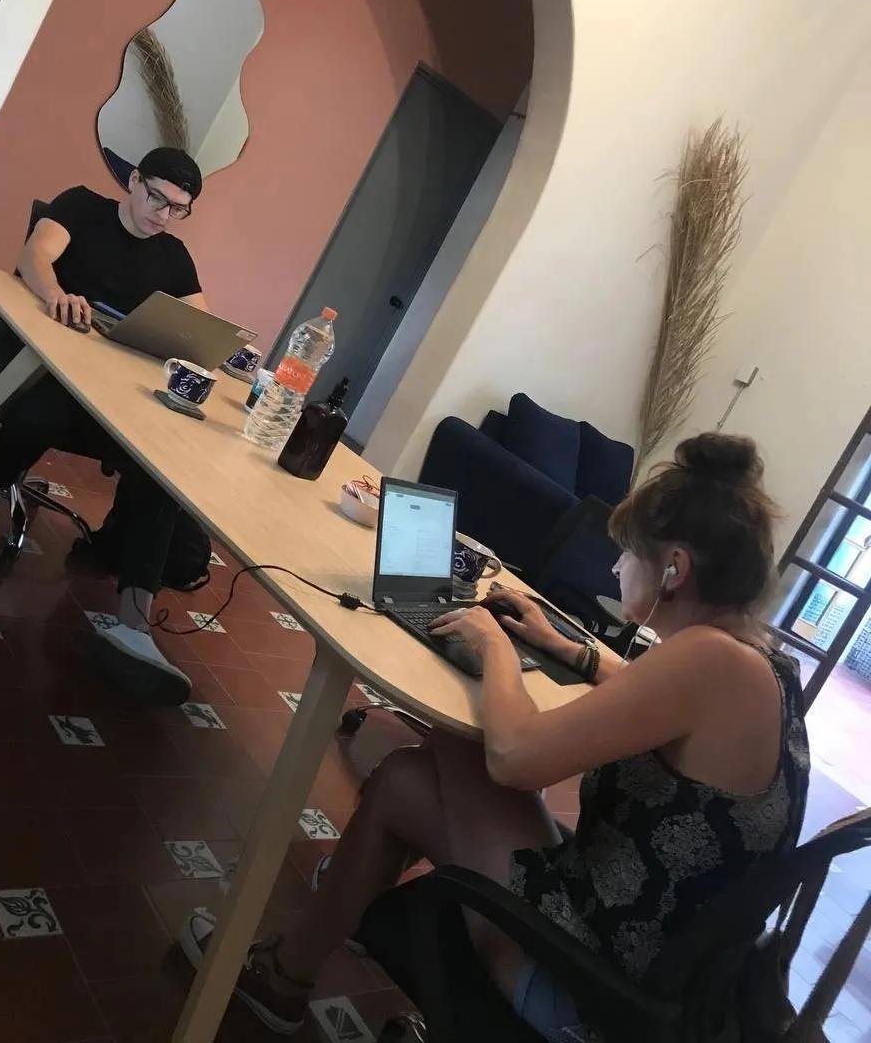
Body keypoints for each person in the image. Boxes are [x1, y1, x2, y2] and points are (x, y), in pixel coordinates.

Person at [179, 433, 810, 1039]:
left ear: (674, 568)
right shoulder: (757, 661)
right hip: (644, 968)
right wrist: (565, 647)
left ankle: (292, 962)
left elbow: (513, 759)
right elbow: (653, 697)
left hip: (587, 990)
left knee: (461, 742)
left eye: (629, 553)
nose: (617, 566)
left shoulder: (704, 660)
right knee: (402, 781)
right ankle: (291, 970)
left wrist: (493, 645)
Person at [0, 147, 207, 705]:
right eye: (156, 196)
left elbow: (198, 322)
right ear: (134, 181)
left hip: (113, 398)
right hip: (45, 372)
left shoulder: (173, 255)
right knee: (36, 411)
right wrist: (55, 293)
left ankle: (133, 624)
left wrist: (220, 351)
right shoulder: (82, 207)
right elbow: (36, 254)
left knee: (159, 467)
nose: (161, 214)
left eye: (177, 208)